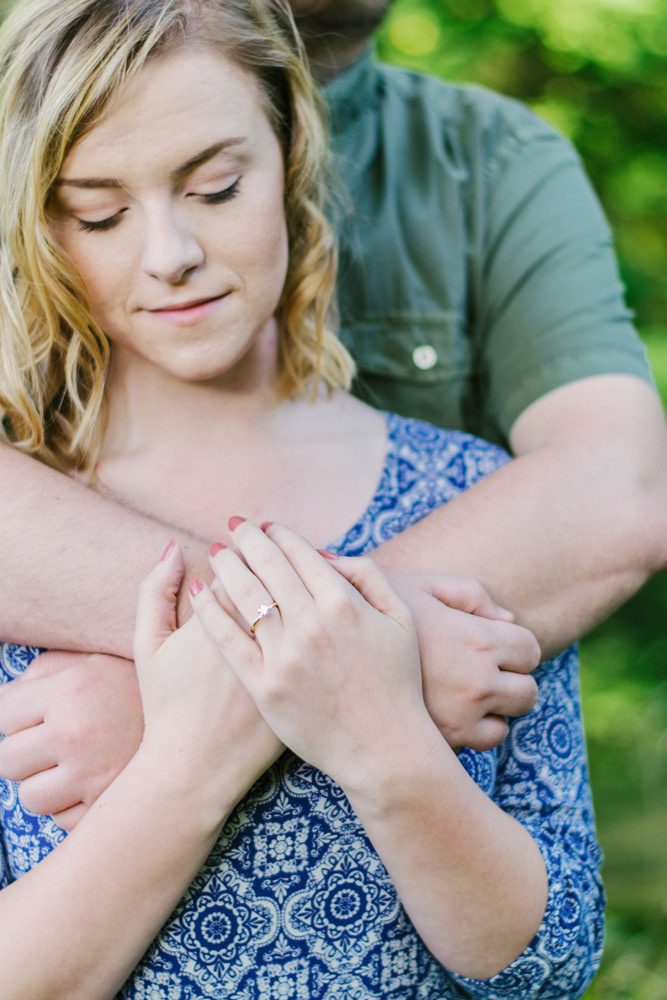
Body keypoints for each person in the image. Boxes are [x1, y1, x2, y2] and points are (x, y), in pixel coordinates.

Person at [0, 0, 602, 996]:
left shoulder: (473, 499)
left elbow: (550, 960)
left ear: (289, 157)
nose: (170, 252)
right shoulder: (24, 557)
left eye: (216, 186)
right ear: (39, 222)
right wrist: (192, 755)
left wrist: (379, 732)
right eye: (99, 210)